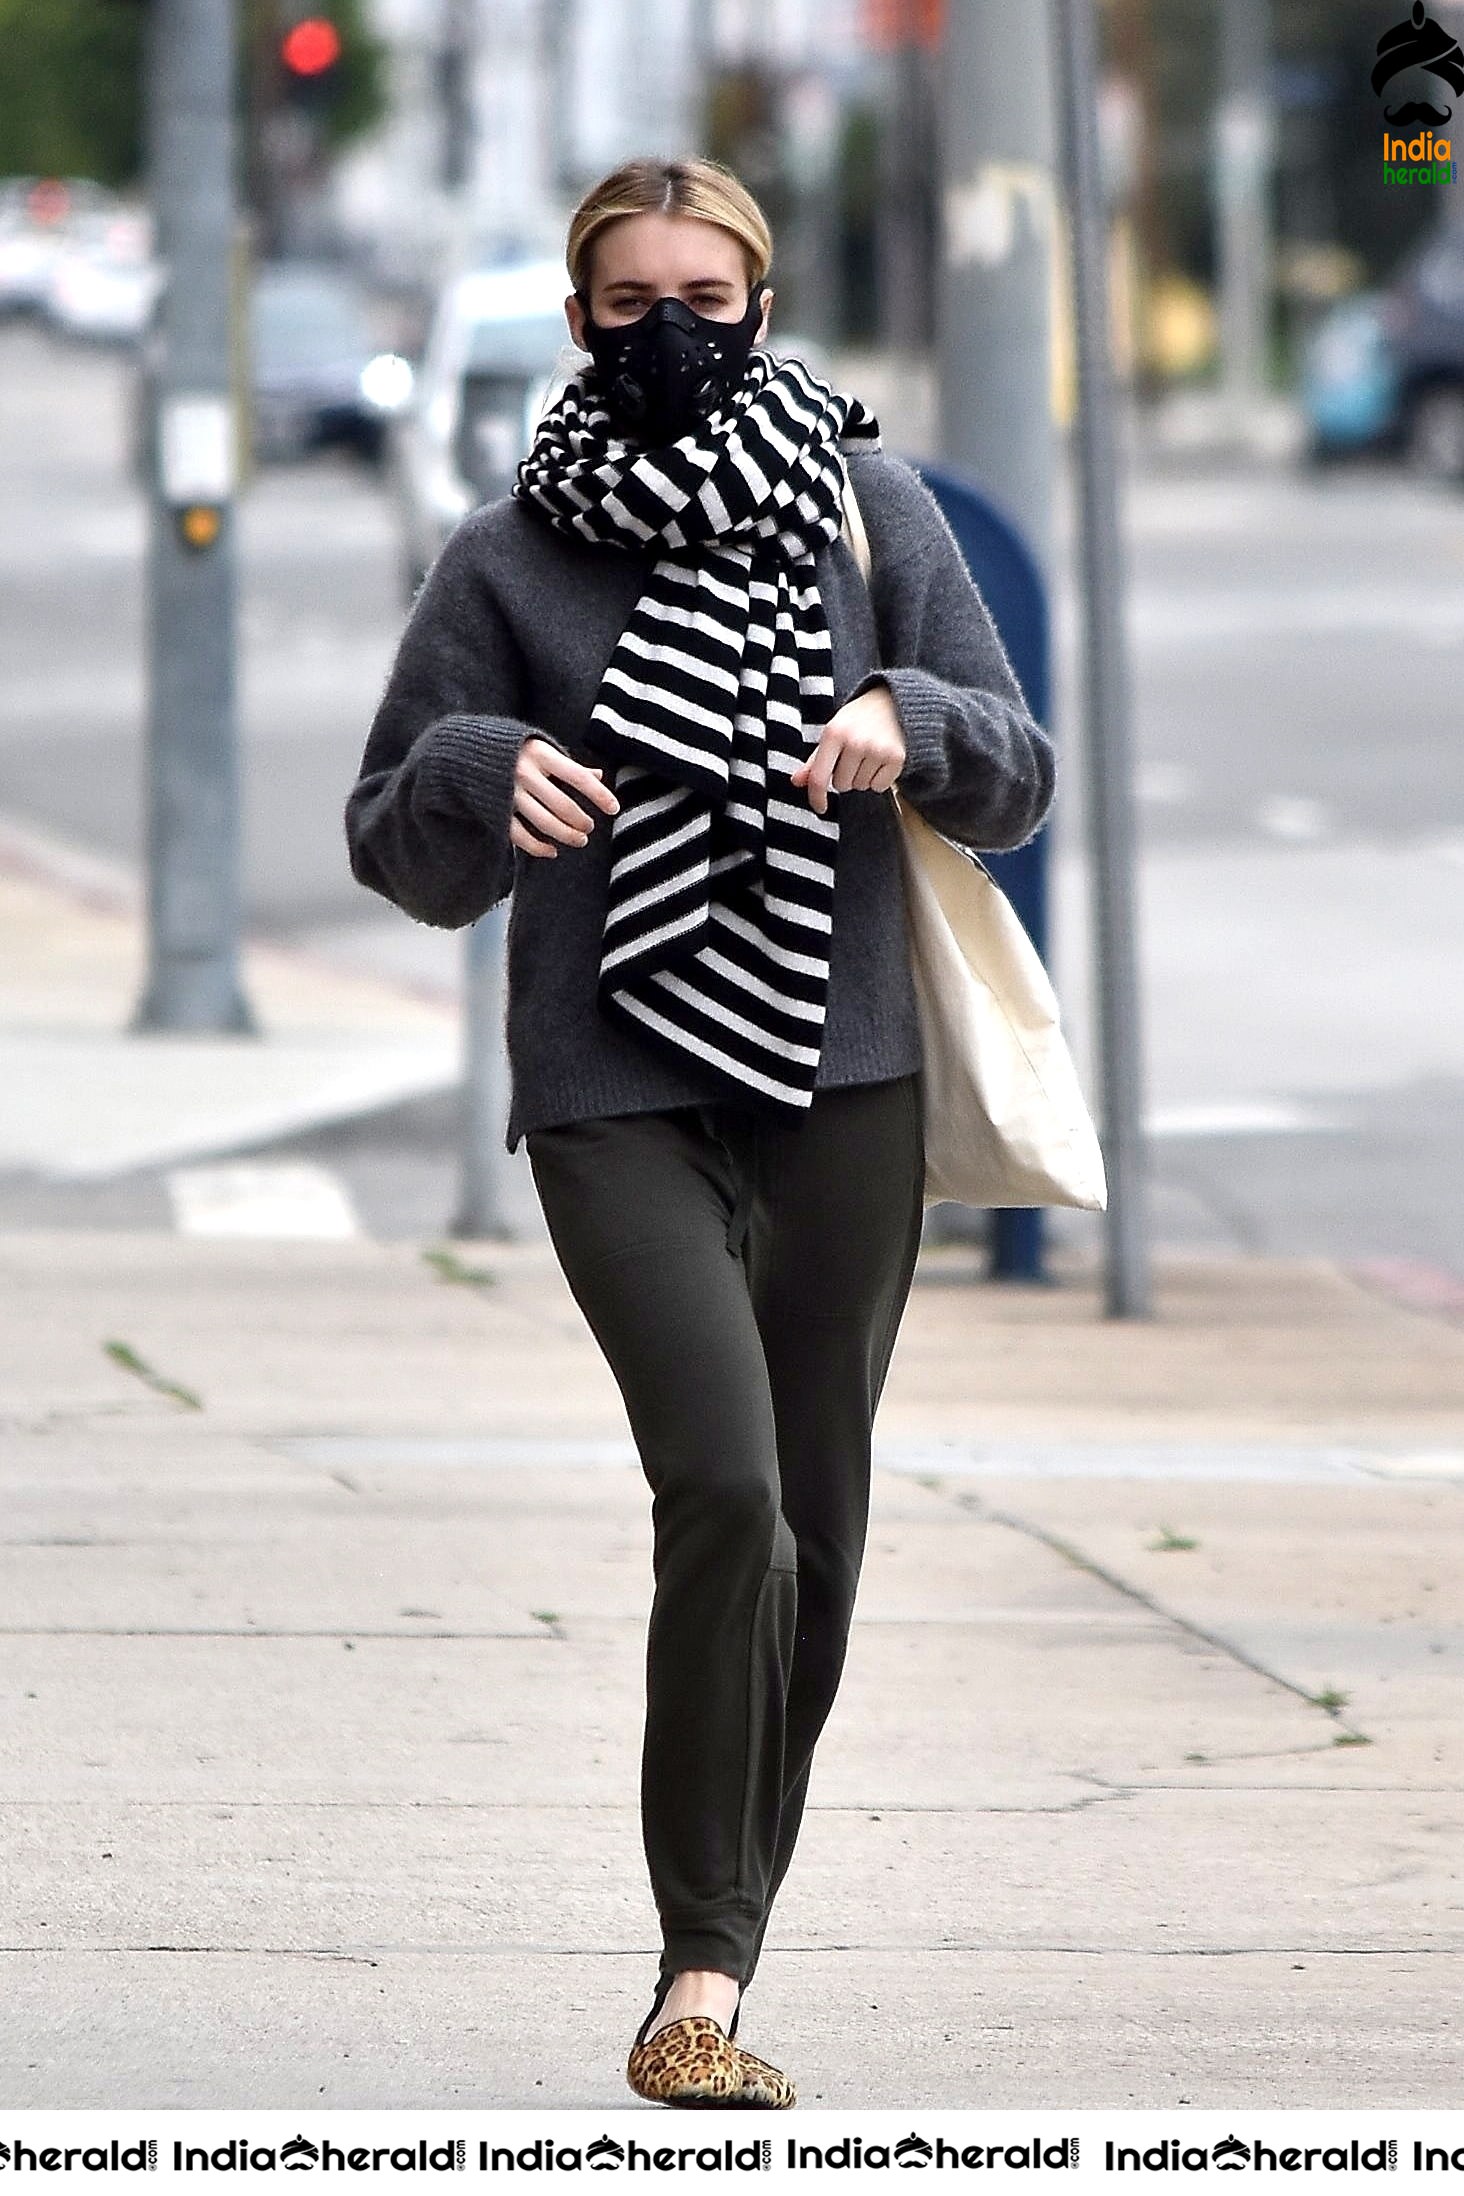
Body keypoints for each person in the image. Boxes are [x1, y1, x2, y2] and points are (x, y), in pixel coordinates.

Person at [345, 156, 1054, 2109]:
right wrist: (492, 773)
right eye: (633, 298)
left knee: (814, 1538)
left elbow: (1017, 773)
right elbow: (393, 831)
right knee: (725, 1491)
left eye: (710, 297)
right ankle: (702, 1973)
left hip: (847, 1088)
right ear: (579, 318)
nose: (673, 331)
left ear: (762, 300)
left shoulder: (864, 510)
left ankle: (710, 1959)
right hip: (612, 1086)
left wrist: (914, 712)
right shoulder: (506, 557)